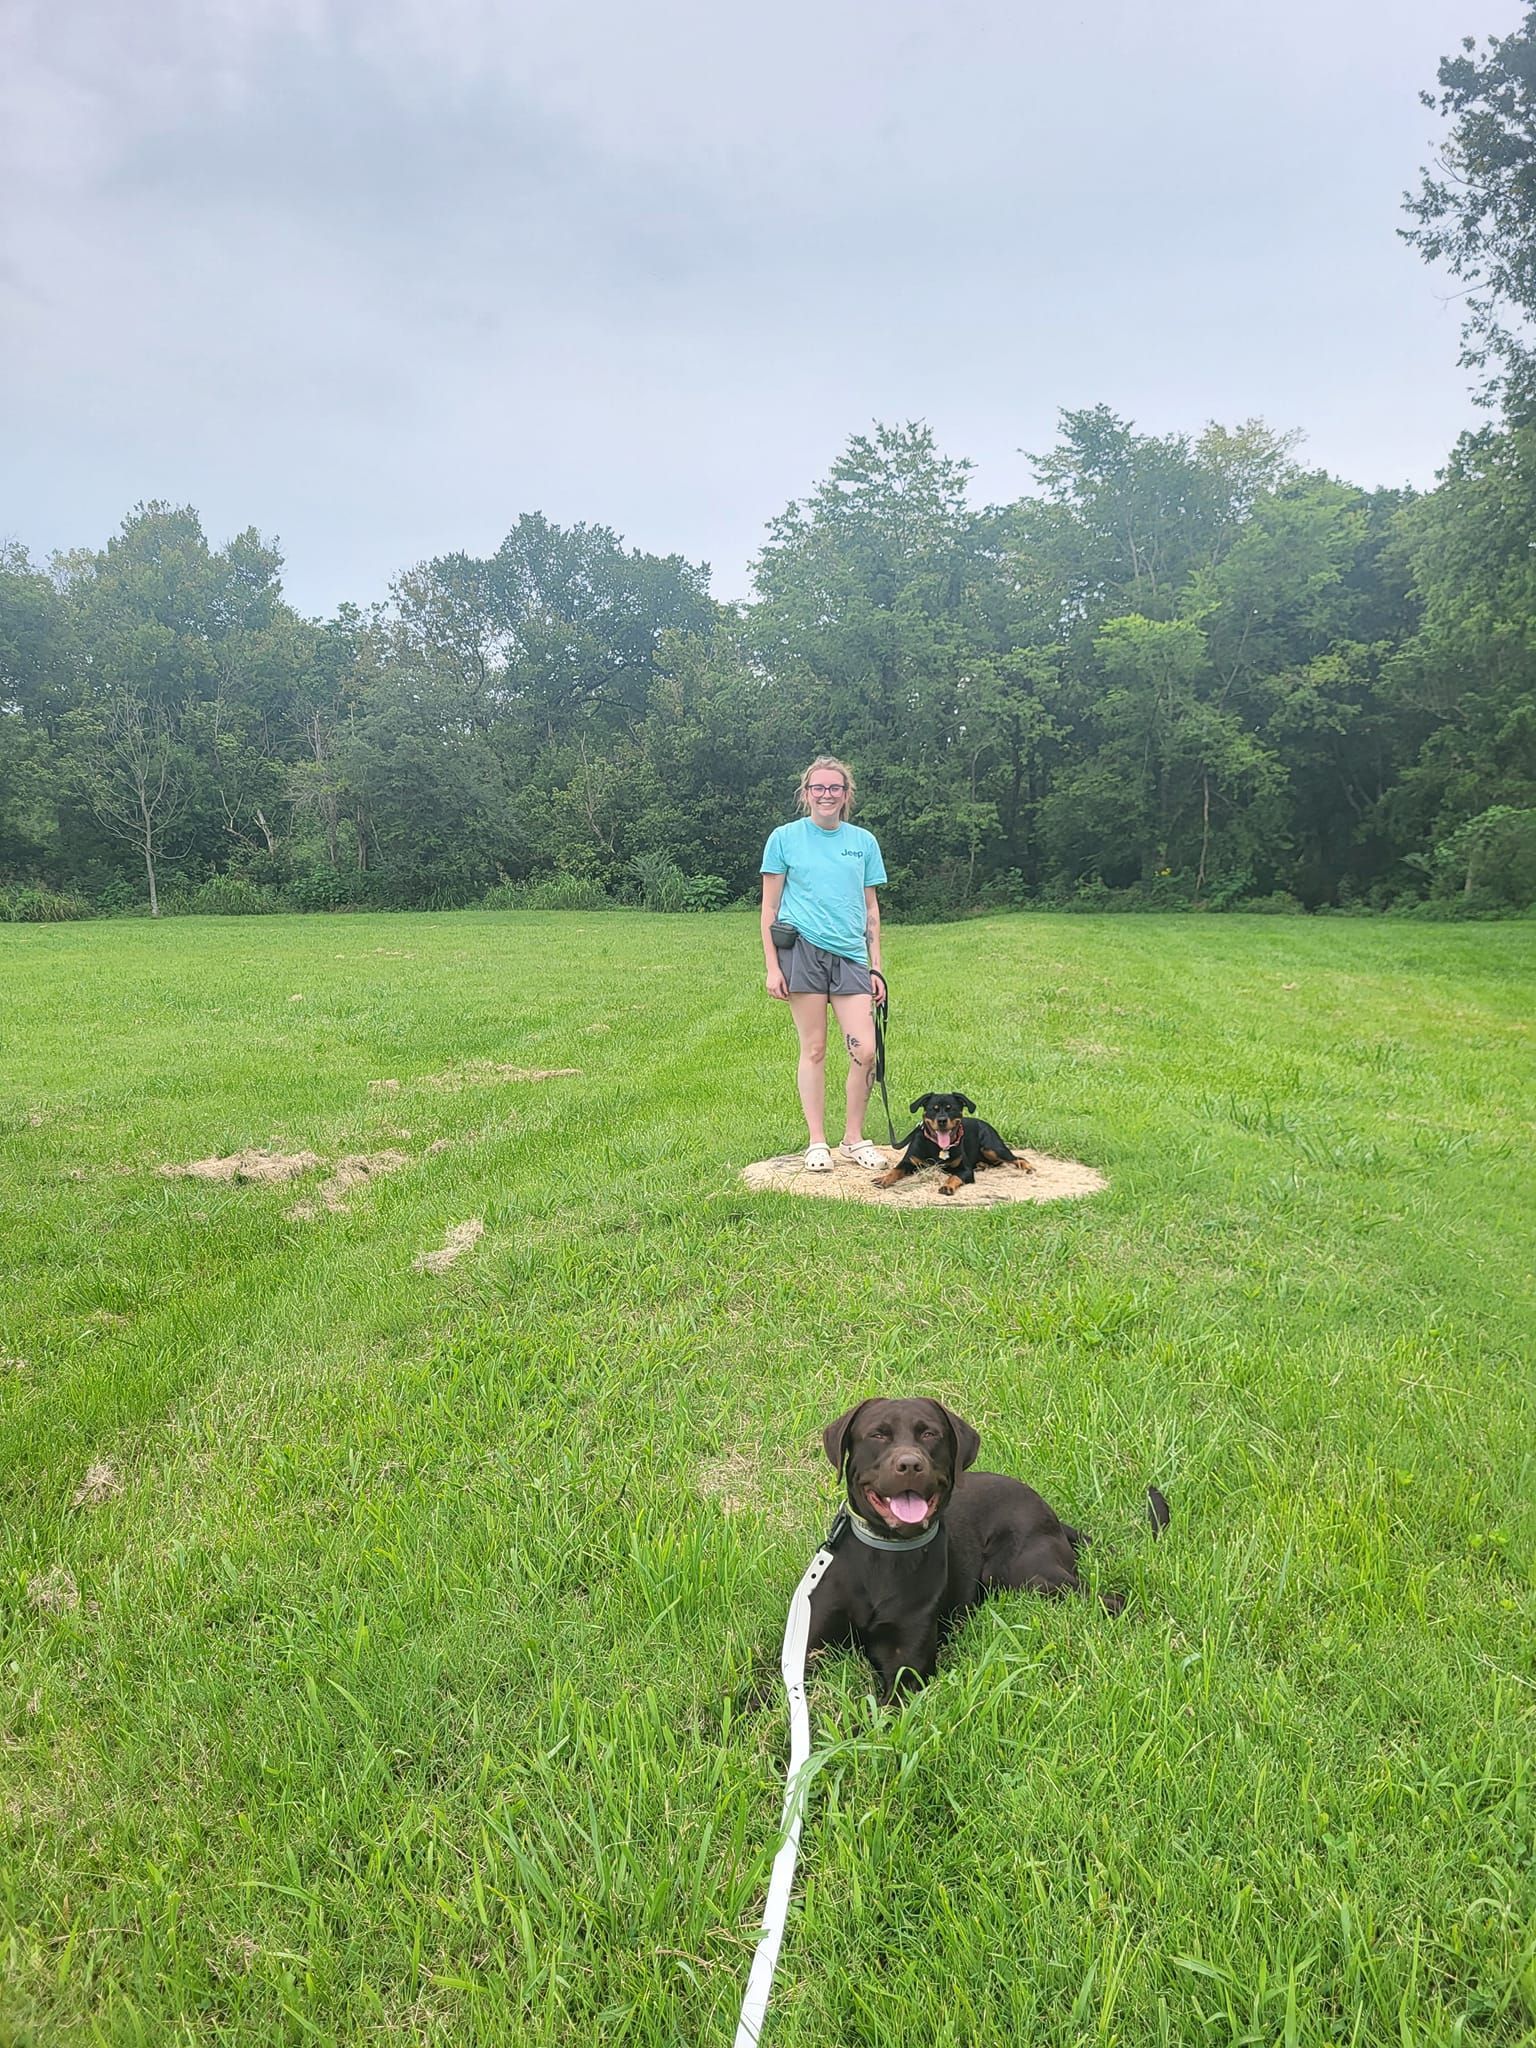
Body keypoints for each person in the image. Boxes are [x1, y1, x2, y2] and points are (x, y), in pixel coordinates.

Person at [760, 755, 888, 1171]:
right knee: (813, 1048)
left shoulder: (863, 842)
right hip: (802, 953)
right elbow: (770, 908)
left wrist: (876, 966)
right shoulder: (784, 838)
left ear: (846, 795)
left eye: (835, 788)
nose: (827, 794)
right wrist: (773, 967)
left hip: (851, 958)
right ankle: (817, 1141)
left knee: (865, 1051)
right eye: (819, 788)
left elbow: (871, 910)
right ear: (806, 793)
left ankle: (853, 1137)